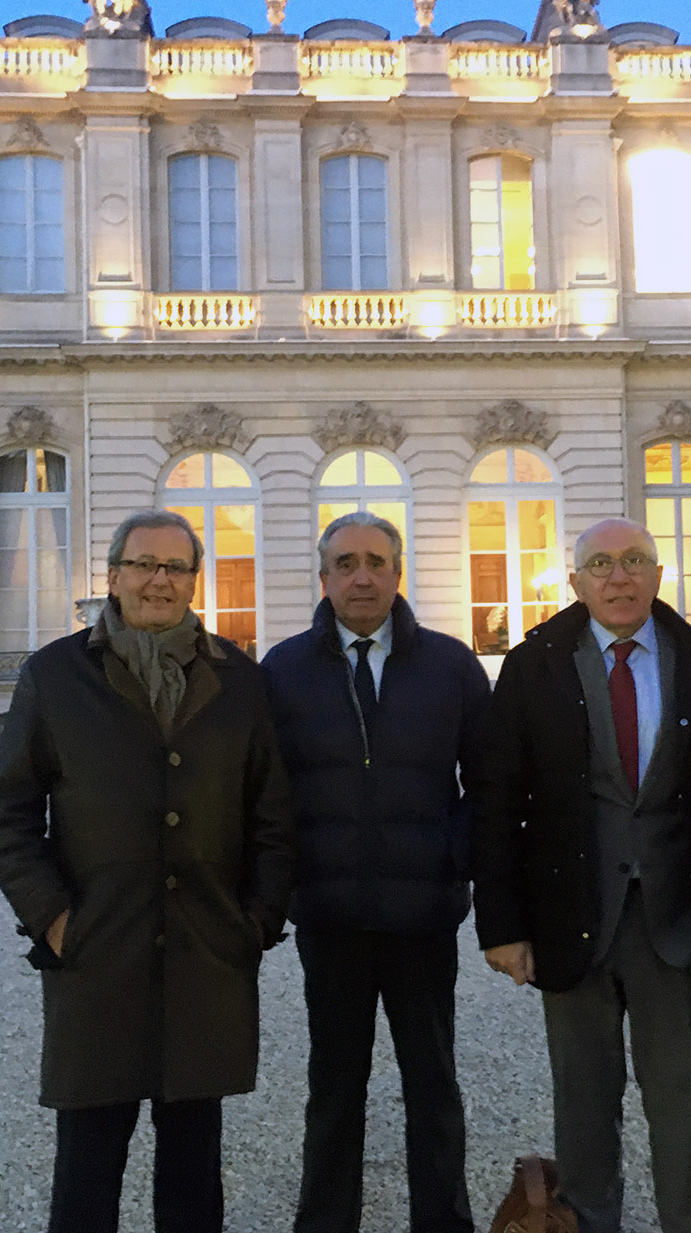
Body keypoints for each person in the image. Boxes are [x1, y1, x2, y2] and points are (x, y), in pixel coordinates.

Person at [470, 517, 691, 1233]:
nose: (619, 576)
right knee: (583, 1104)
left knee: (683, 1106)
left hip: (678, 922)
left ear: (657, 574)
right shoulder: (533, 666)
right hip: (570, 918)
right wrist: (501, 924)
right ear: (576, 580)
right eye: (601, 564)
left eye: (635, 560)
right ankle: (587, 1222)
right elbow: (495, 801)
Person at [0, 508, 295, 1233]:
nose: (160, 580)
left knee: (193, 1170)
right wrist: (55, 920)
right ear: (114, 575)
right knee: (87, 1168)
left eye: (175, 567)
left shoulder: (239, 679)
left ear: (194, 580)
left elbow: (274, 817)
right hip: (99, 949)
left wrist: (254, 924)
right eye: (144, 564)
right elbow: (7, 815)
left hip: (206, 952)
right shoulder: (56, 675)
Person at [261, 511, 489, 1233]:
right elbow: (263, 791)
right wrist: (286, 883)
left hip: (423, 914)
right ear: (323, 577)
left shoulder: (451, 665)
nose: (362, 577)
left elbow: (489, 781)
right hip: (329, 914)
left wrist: (453, 857)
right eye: (346, 563)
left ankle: (443, 1223)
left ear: (398, 572)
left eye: (376, 562)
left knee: (433, 1085)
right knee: (333, 1088)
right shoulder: (284, 670)